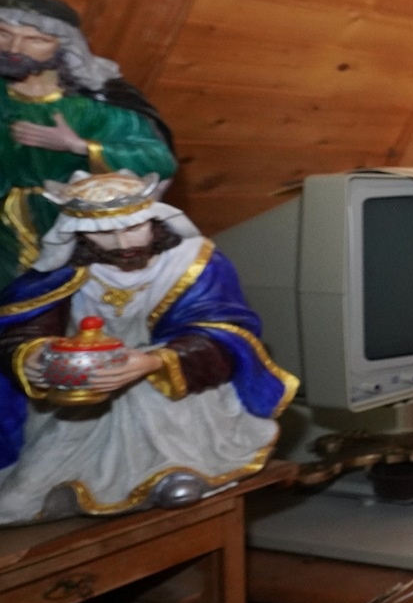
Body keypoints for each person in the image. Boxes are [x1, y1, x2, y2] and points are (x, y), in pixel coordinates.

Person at [0, 170, 295, 524]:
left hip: (172, 386)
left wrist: (152, 362)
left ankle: (174, 471)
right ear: (77, 233)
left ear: (153, 220)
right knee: (25, 490)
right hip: (84, 387)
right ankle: (56, 489)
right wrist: (31, 355)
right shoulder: (61, 272)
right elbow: (21, 327)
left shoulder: (195, 263)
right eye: (104, 233)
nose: (123, 243)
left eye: (134, 227)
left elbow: (226, 331)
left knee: (152, 403)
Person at [0, 0, 176, 281]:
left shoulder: (96, 105)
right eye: (4, 34)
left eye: (36, 40)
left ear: (64, 45)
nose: (14, 48)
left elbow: (158, 159)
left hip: (75, 220)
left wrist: (79, 146)